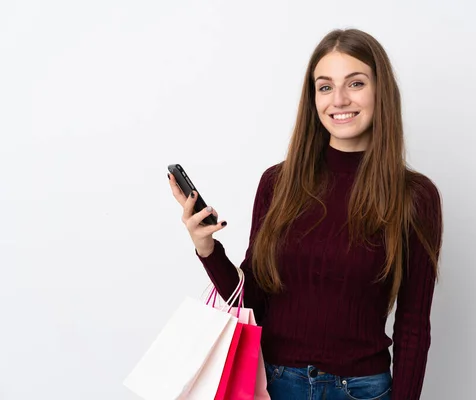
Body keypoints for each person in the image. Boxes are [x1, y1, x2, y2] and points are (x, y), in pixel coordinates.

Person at [168, 28, 443, 400]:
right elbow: (251, 301)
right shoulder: (277, 183)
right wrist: (206, 248)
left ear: (381, 92)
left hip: (361, 391)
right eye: (325, 87)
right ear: (313, 98)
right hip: (275, 384)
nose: (339, 99)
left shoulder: (414, 197)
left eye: (356, 83)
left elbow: (413, 326)